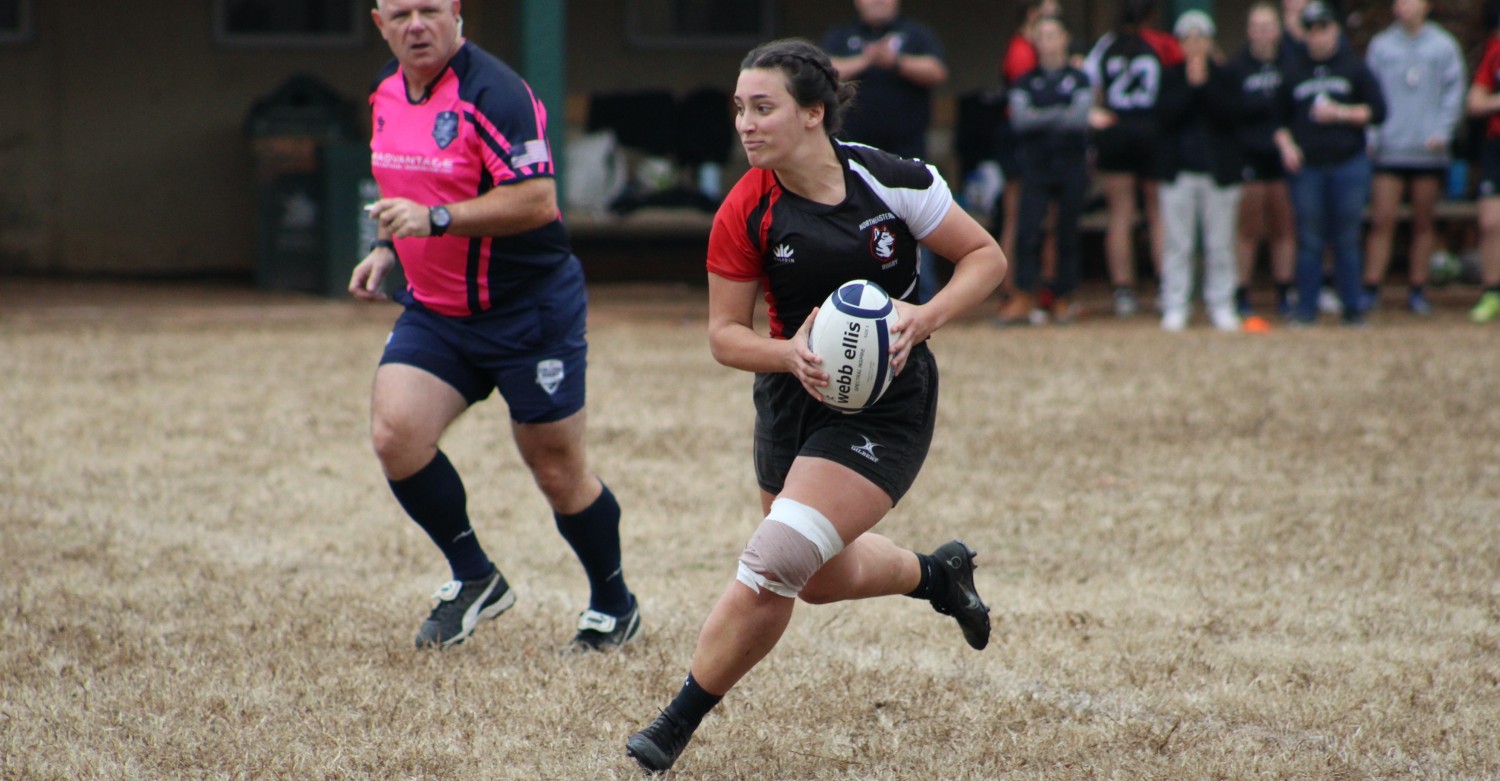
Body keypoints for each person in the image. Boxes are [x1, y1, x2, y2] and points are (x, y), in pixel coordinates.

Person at [625, 39, 1005, 774]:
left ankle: (670, 727)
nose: (746, 123)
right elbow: (724, 337)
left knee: (777, 558)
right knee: (819, 577)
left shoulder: (892, 180)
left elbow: (985, 255)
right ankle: (937, 575)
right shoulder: (747, 207)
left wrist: (923, 316)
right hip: (791, 396)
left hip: (887, 403)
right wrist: (790, 355)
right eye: (739, 108)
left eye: (762, 107)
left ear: (813, 113)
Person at [349, 0, 639, 652]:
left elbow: (537, 200)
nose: (415, 24)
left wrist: (438, 221)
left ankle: (614, 605)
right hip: (438, 309)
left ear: (456, 12)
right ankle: (475, 576)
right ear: (379, 23)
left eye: (429, 9)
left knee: (557, 469)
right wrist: (387, 247)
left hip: (527, 309)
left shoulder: (496, 92)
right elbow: (401, 181)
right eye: (399, 13)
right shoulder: (387, 93)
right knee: (396, 433)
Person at [821, 0, 949, 302]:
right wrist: (866, 60)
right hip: (852, 155)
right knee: (853, 222)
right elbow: (824, 72)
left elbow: (936, 71)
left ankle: (923, 297)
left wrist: (895, 62)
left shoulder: (916, 34)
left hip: (906, 151)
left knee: (919, 221)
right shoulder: (843, 36)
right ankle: (852, 297)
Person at [1274, 1, 1388, 326]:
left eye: (1323, 28)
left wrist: (1340, 113)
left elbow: (1378, 112)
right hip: (1308, 167)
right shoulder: (1293, 70)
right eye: (1310, 29)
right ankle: (1306, 310)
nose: (1317, 35)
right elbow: (1278, 120)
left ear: (1335, 29)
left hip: (1347, 163)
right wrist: (1287, 146)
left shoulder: (1354, 67)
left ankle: (1352, 309)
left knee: (1347, 238)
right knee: (1309, 239)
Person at [1362, 0, 1466, 316]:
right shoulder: (1381, 46)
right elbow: (1369, 92)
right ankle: (1371, 287)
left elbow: (1454, 91)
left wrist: (1443, 132)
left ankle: (1418, 289)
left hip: (1427, 150)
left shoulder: (1443, 45)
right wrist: (1373, 136)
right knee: (1382, 220)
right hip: (1390, 148)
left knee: (1423, 223)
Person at [996, 15, 1100, 326]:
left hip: (1071, 164)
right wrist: (1060, 113)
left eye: (1054, 34)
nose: (1049, 41)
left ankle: (1064, 297)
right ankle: (1024, 295)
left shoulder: (1080, 79)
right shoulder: (1025, 81)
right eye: (1042, 35)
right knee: (1028, 232)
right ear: (1035, 42)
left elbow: (1079, 119)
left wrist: (1042, 114)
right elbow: (1021, 121)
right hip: (1036, 166)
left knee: (1067, 232)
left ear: (1065, 38)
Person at [1084, 0, 1183, 317]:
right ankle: (1166, 285)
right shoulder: (1161, 43)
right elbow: (1177, 82)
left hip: (1116, 130)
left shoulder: (1106, 45)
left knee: (1121, 213)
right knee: (1156, 212)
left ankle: (1124, 289)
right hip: (1150, 130)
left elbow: (1093, 89)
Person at [1155, 10, 1244, 332]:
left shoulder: (1226, 76)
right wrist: (1190, 87)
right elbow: (1164, 117)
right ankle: (1175, 304)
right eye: (1187, 39)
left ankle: (1221, 303)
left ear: (1210, 41)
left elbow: (1231, 116)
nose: (1194, 44)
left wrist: (1204, 85)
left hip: (1219, 174)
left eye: (1200, 38)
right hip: (1179, 173)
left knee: (1220, 245)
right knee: (1178, 245)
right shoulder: (1169, 77)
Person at [1224, 2, 1298, 318]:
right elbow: (1231, 117)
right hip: (1249, 154)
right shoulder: (1237, 67)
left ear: (1278, 30)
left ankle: (1284, 290)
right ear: (1248, 31)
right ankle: (1242, 291)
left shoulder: (1292, 63)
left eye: (1268, 26)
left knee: (1284, 225)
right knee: (1249, 226)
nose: (1262, 33)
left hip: (1284, 156)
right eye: (1256, 26)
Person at [993, 0, 1063, 315]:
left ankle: (1045, 288)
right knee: (1018, 217)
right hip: (1022, 143)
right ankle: (1012, 289)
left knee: (1044, 220)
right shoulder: (1022, 51)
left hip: (1046, 147)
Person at [1466, 0, 1500, 323]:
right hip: (1496, 144)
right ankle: (1492, 292)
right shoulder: (1495, 50)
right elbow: (1474, 102)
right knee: (1491, 222)